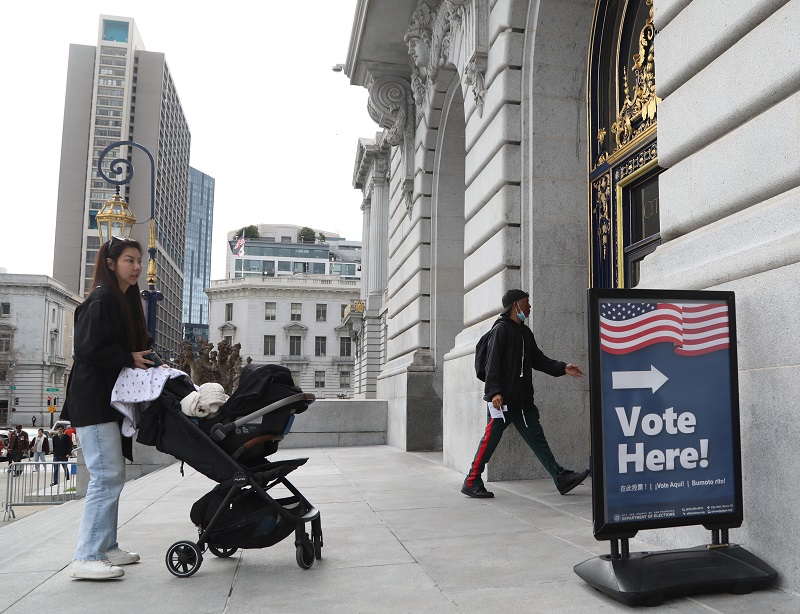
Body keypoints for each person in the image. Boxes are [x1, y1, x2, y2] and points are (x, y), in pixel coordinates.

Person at [62, 236, 154, 580]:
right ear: (111, 262)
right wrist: (127, 357)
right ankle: (86, 556)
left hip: (108, 401)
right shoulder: (101, 297)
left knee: (112, 475)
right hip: (93, 401)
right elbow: (86, 349)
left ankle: (106, 547)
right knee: (106, 476)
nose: (137, 267)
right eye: (130, 260)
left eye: (139, 261)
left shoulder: (123, 299)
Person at [462, 289, 590, 499]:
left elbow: (538, 360)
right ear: (515, 305)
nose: (529, 306)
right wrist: (495, 392)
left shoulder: (525, 332)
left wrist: (563, 368)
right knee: (489, 441)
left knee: (538, 440)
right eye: (526, 302)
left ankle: (560, 477)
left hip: (523, 403)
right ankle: (471, 480)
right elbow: (492, 362)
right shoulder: (501, 330)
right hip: (502, 403)